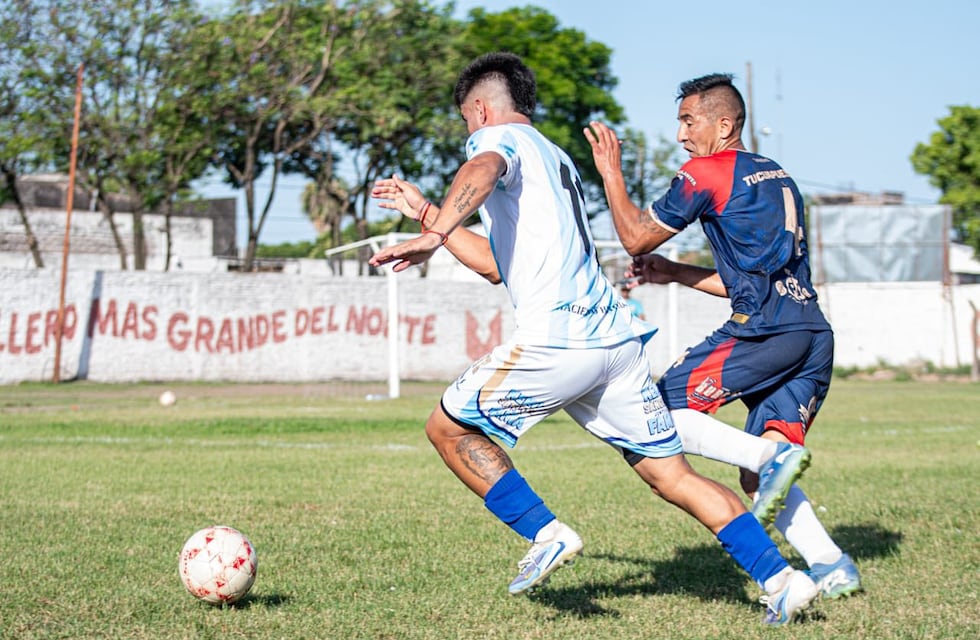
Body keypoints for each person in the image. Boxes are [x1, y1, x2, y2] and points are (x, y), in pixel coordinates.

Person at [369, 52, 818, 625]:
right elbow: (493, 265)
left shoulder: (496, 142)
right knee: (671, 475)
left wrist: (433, 234)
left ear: (480, 109)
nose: (469, 131)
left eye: (466, 120)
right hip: (615, 344)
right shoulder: (553, 159)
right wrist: (430, 214)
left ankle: (546, 533)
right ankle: (782, 580)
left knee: (447, 428)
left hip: (561, 342)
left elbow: (480, 168)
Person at [584, 72, 861, 600]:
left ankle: (771, 462)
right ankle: (832, 565)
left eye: (689, 122)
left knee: (656, 414)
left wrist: (611, 174)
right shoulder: (777, 174)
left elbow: (635, 235)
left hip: (764, 334)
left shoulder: (705, 172)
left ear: (724, 123)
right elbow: (750, 281)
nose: (682, 135)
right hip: (809, 334)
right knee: (760, 479)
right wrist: (674, 272)